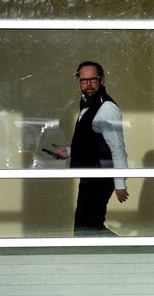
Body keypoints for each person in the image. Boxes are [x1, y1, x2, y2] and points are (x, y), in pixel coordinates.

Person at [51, 61, 129, 236]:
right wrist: (69, 151)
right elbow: (93, 142)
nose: (88, 84)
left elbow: (117, 148)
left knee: (87, 228)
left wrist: (120, 183)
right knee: (85, 227)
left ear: (102, 80)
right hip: (91, 176)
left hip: (101, 178)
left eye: (93, 79)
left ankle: (131, 251)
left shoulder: (106, 108)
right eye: (83, 80)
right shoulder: (87, 104)